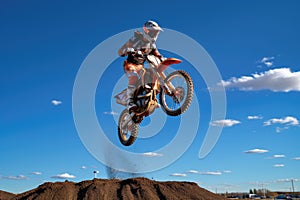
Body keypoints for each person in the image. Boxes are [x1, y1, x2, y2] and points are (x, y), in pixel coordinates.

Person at [118, 20, 164, 113]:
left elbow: (157, 54)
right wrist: (129, 50)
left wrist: (162, 58)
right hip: (130, 64)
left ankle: (152, 98)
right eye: (154, 32)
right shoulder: (134, 39)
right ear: (147, 31)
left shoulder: (151, 45)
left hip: (140, 67)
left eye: (156, 32)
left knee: (154, 76)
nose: (155, 34)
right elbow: (120, 52)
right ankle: (130, 102)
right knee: (134, 76)